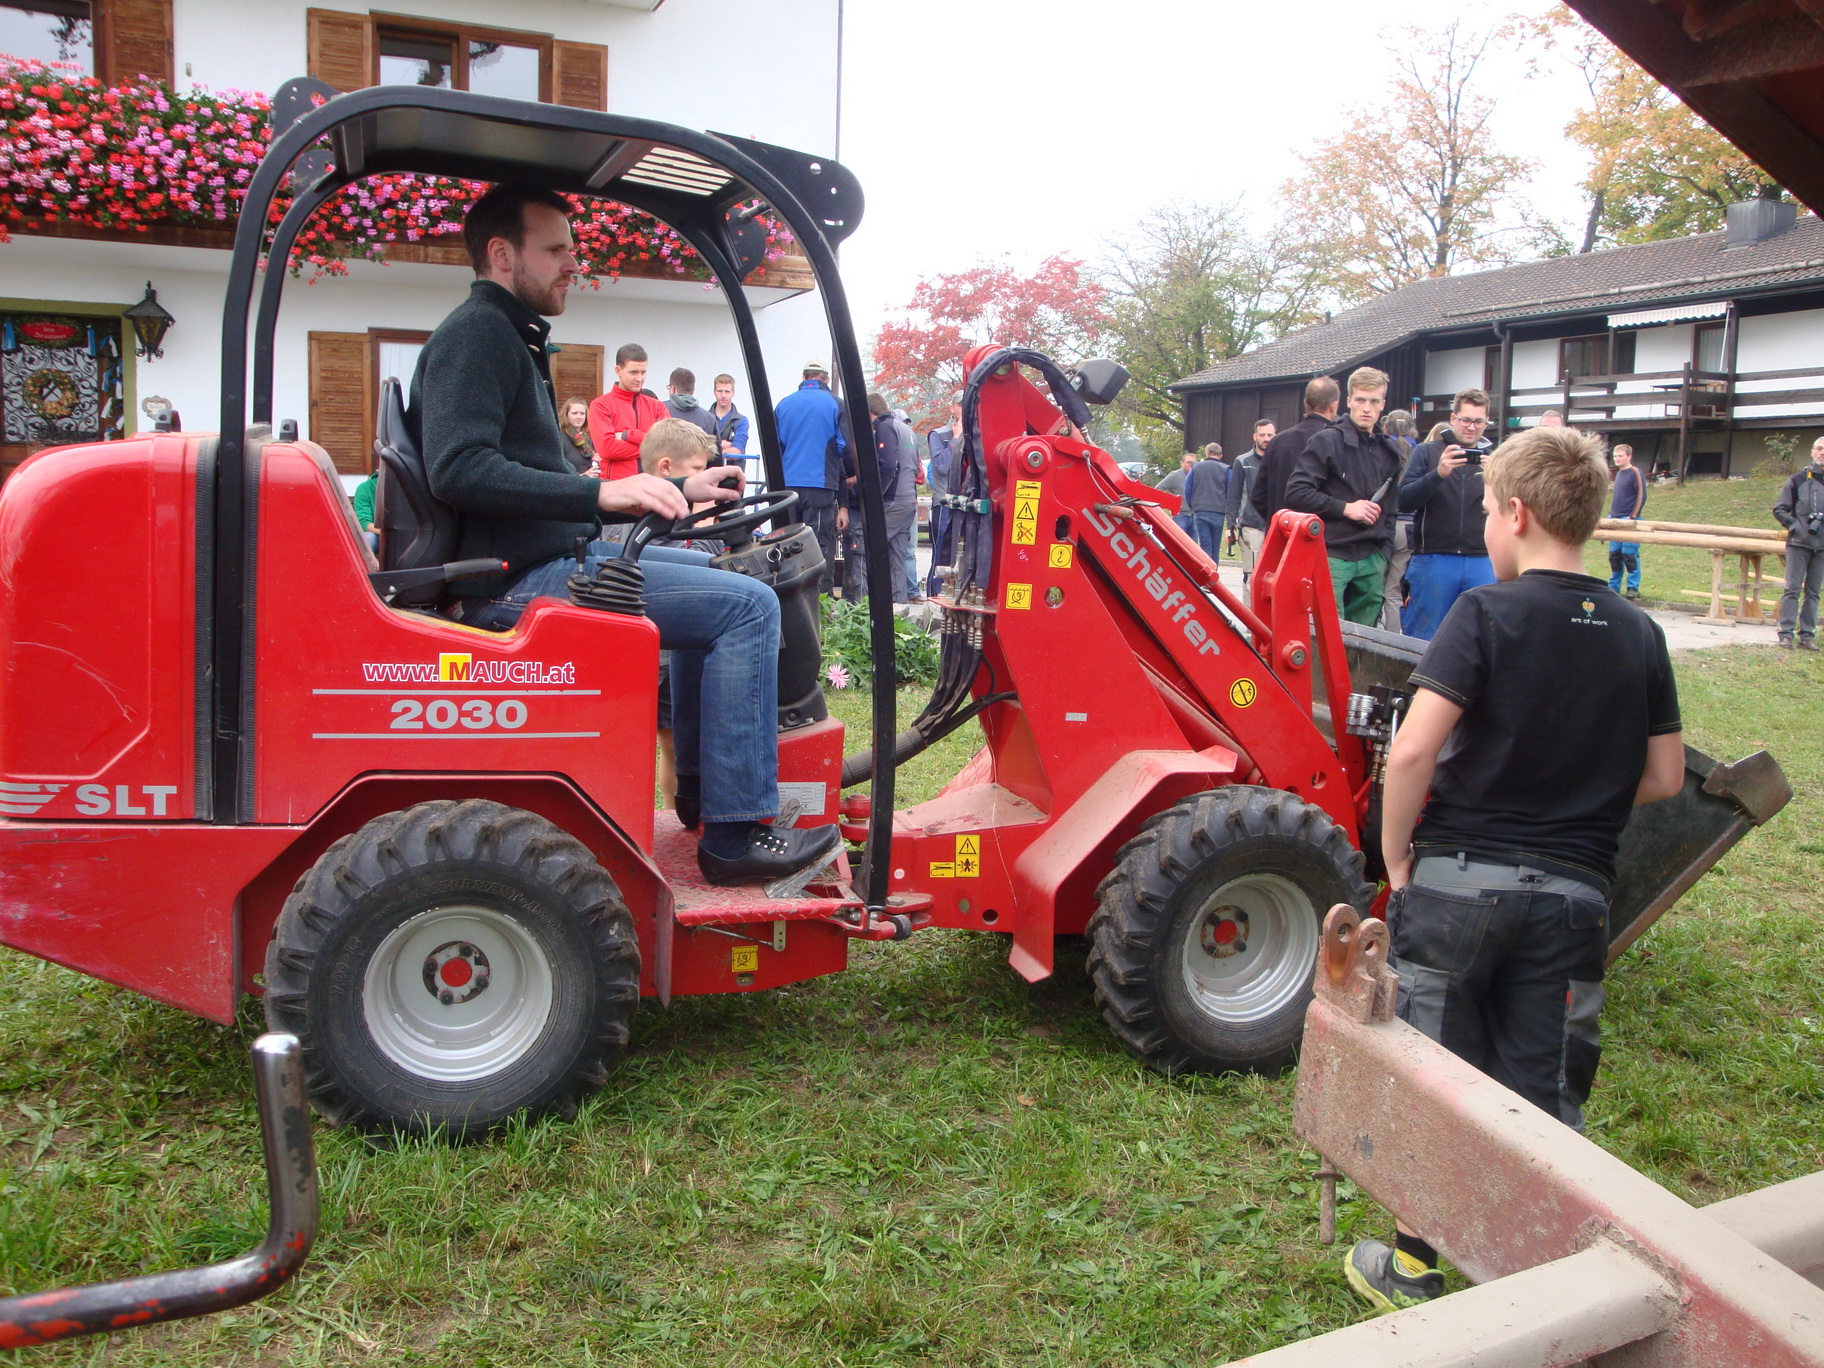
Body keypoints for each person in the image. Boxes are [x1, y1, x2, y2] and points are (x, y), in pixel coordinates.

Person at [1346, 424, 1685, 1314]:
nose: (1489, 526)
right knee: (1544, 1085)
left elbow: (1413, 750)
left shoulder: (1485, 613)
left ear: (1518, 514)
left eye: (1490, 511)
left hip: (1458, 883)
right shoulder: (1639, 631)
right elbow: (1663, 777)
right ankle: (1538, 1269)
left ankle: (1413, 1264)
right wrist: (1577, 794)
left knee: (1437, 1075)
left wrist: (1395, 855)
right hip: (1574, 895)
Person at [416, 182, 839, 886]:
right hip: (515, 582)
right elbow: (458, 468)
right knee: (750, 606)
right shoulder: (478, 336)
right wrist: (601, 490)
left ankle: (705, 795)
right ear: (502, 254)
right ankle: (733, 837)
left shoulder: (507, 335)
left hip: (535, 559)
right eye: (556, 250)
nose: (572, 264)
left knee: (726, 582)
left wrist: (676, 489)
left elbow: (536, 487)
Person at [1284, 367, 1404, 626]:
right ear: (1348, 401)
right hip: (1332, 555)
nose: (1366, 408)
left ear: (1383, 404)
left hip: (1372, 556)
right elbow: (1296, 492)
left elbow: (1391, 508)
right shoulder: (1326, 441)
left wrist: (1384, 553)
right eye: (1360, 400)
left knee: (1365, 641)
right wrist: (1346, 508)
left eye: (1374, 401)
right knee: (1327, 636)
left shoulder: (1388, 451)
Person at [1397, 389, 1497, 640]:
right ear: (1453, 418)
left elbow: (1511, 510)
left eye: (1479, 421)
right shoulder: (1427, 452)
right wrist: (1438, 474)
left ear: (1486, 422)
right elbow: (1404, 500)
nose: (1471, 427)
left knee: (1481, 639)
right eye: (1466, 420)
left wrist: (1497, 481)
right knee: (1423, 639)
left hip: (1482, 559)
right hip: (1433, 559)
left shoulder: (1497, 459)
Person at [776, 360, 847, 596]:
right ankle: (819, 597)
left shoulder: (783, 404)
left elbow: (775, 446)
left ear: (804, 377)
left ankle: (789, 595)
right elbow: (844, 446)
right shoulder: (836, 404)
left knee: (788, 541)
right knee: (818, 542)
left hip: (787, 485)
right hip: (820, 484)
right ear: (825, 379)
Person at [1252, 376, 1340, 528]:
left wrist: (1278, 520)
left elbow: (1258, 496)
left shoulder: (1277, 441)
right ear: (1334, 404)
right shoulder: (1337, 441)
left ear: (1306, 402)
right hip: (1321, 534)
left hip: (1280, 533)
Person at [866, 393, 920, 604]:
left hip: (893, 500)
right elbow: (914, 467)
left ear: (869, 412)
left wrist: (875, 495)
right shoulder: (907, 430)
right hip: (908, 501)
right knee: (898, 556)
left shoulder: (885, 427)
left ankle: (864, 604)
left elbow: (888, 466)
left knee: (864, 543)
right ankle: (899, 607)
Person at [587, 343, 668, 480]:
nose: (639, 378)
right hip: (615, 486)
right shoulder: (600, 406)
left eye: (643, 372)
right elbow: (607, 449)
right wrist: (652, 447)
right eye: (633, 372)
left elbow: (668, 445)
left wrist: (629, 435)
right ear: (618, 370)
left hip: (652, 486)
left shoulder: (657, 406)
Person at [1773, 435, 1824, 650]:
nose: (1822, 453)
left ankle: (1807, 635)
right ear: (1812, 452)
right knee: (1792, 589)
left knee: (1813, 592)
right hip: (1799, 544)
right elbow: (1780, 509)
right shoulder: (1798, 480)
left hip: (1822, 547)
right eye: (1819, 448)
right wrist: (1795, 527)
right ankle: (1785, 634)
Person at [1379, 410, 1418, 631]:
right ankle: (1393, 639)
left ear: (1385, 428)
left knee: (1374, 586)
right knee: (1394, 591)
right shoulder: (1420, 452)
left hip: (1385, 525)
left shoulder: (1381, 449)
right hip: (1410, 528)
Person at [1225, 420, 1274, 586]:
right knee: (1253, 577)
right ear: (1255, 436)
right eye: (1262, 435)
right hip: (1251, 527)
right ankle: (1249, 605)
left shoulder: (1280, 461)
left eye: (1270, 435)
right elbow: (1234, 496)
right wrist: (1230, 526)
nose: (1266, 438)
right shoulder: (1243, 461)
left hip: (1276, 527)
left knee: (1274, 578)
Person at [925, 395, 962, 596]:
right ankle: (934, 596)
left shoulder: (978, 434)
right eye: (960, 405)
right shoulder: (938, 435)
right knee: (942, 554)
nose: (964, 409)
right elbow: (941, 466)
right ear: (952, 408)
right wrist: (956, 439)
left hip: (968, 503)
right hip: (944, 504)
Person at [1606, 443, 1646, 600]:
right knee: (1614, 555)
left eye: (1620, 456)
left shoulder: (1635, 472)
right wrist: (1611, 515)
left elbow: (1641, 494)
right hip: (1615, 519)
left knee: (1629, 554)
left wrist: (1633, 516)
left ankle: (1632, 587)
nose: (1617, 459)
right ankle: (1614, 587)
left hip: (1629, 519)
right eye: (1615, 456)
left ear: (1629, 456)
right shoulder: (1618, 474)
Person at [1183, 442, 1230, 559]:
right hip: (1219, 511)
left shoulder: (1196, 467)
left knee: (1205, 546)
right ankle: (1214, 569)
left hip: (1200, 510)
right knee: (1215, 547)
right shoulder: (1226, 469)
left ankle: (1207, 569)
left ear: (1207, 453)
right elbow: (1230, 491)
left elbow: (1187, 489)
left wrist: (1192, 505)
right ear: (1221, 455)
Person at [664, 367, 720, 440]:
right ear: (693, 389)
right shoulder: (709, 419)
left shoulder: (658, 411)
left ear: (672, 388)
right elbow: (716, 447)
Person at [709, 372, 750, 473]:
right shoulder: (705, 418)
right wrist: (721, 445)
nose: (723, 396)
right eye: (720, 391)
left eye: (727, 391)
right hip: (708, 474)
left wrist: (712, 449)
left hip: (732, 475)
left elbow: (736, 451)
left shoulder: (741, 421)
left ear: (733, 393)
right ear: (714, 392)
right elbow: (698, 449)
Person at [1158, 453, 1197, 533]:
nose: (1191, 465)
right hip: (1180, 516)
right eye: (1188, 462)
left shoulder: (1197, 476)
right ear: (1182, 463)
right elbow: (1158, 489)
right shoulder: (1174, 475)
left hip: (1194, 516)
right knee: (1179, 539)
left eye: (1193, 463)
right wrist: (1169, 503)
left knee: (1192, 541)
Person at [558, 396, 594, 475]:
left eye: (582, 413)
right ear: (566, 415)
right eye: (574, 413)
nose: (579, 417)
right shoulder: (559, 439)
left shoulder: (587, 440)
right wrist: (583, 476)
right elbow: (558, 471)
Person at [351, 471, 379, 552]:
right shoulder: (364, 488)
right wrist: (388, 533)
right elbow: (364, 523)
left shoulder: (406, 487)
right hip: (376, 534)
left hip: (401, 536)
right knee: (368, 538)